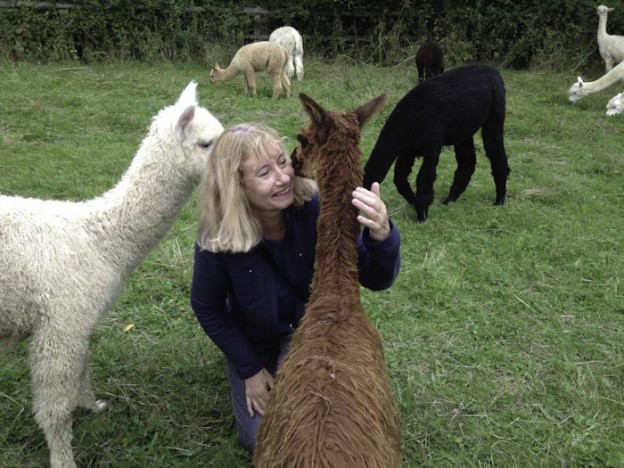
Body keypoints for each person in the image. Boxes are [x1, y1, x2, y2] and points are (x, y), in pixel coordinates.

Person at [190, 123, 401, 452]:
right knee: (260, 438)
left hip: (307, 331)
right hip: (253, 339)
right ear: (237, 186)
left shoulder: (315, 209)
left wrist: (382, 234)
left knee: (313, 428)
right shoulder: (217, 240)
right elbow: (208, 307)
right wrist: (249, 368)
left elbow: (375, 277)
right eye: (264, 172)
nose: (284, 177)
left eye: (282, 161)